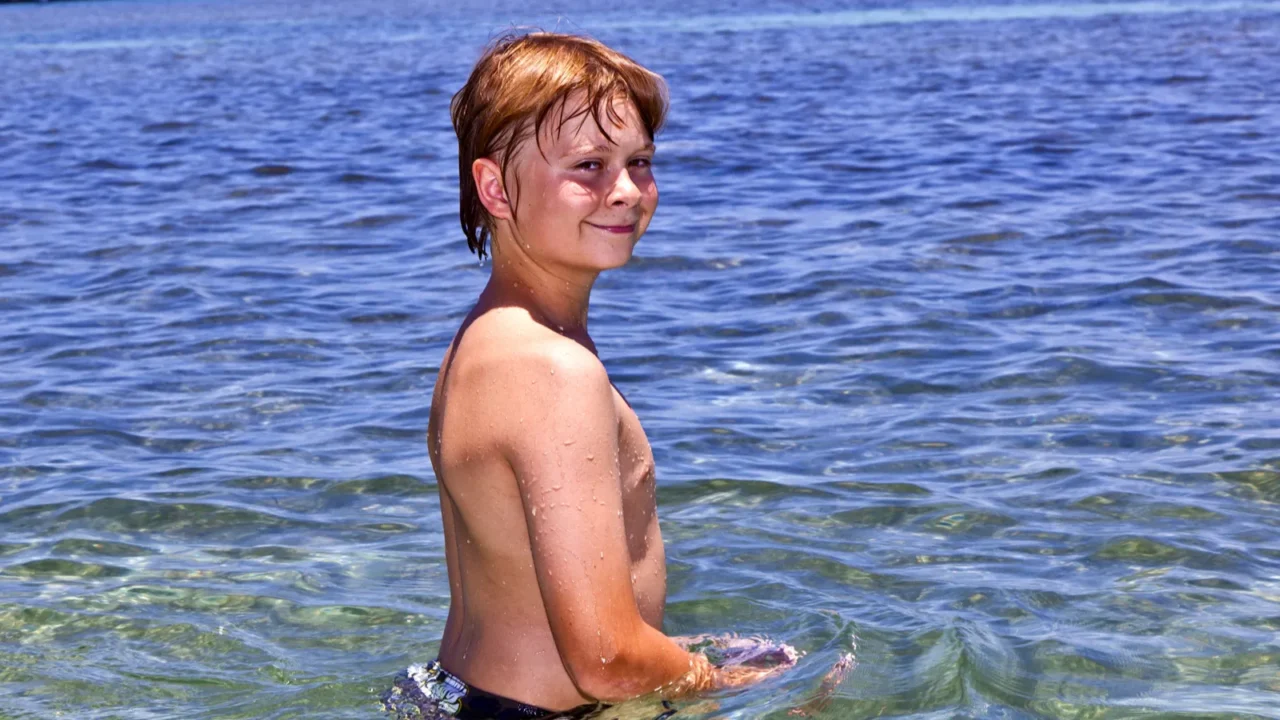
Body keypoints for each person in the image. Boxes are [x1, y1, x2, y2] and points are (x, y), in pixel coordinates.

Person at [381, 32, 794, 720]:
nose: (625, 191)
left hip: (464, 699)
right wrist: (735, 687)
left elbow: (537, 613)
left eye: (640, 162)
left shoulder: (488, 339)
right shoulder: (550, 369)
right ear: (495, 188)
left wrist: (686, 658)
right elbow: (605, 660)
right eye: (589, 166)